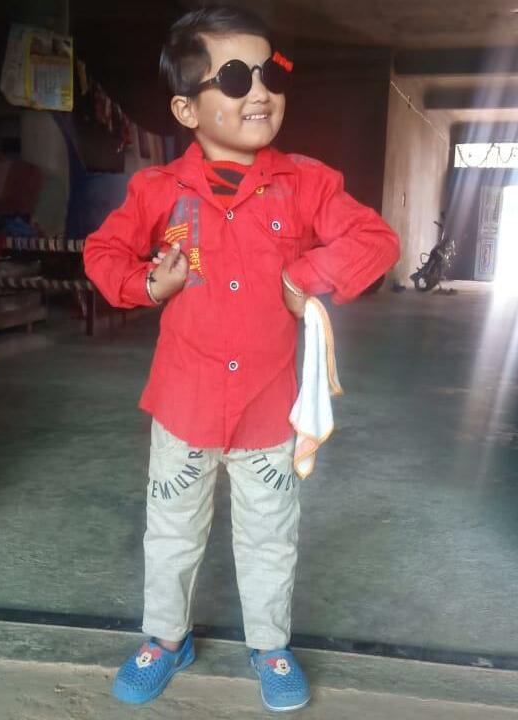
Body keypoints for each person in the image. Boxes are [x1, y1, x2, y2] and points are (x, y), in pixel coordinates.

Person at [83, 5, 399, 713]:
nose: (259, 92)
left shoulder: (308, 184)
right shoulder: (157, 191)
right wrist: (146, 285)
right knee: (171, 533)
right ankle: (165, 640)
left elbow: (375, 240)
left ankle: (270, 645)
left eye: (269, 75)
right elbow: (103, 252)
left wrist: (305, 275)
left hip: (267, 411)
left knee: (270, 536)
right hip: (184, 407)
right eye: (234, 78)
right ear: (186, 108)